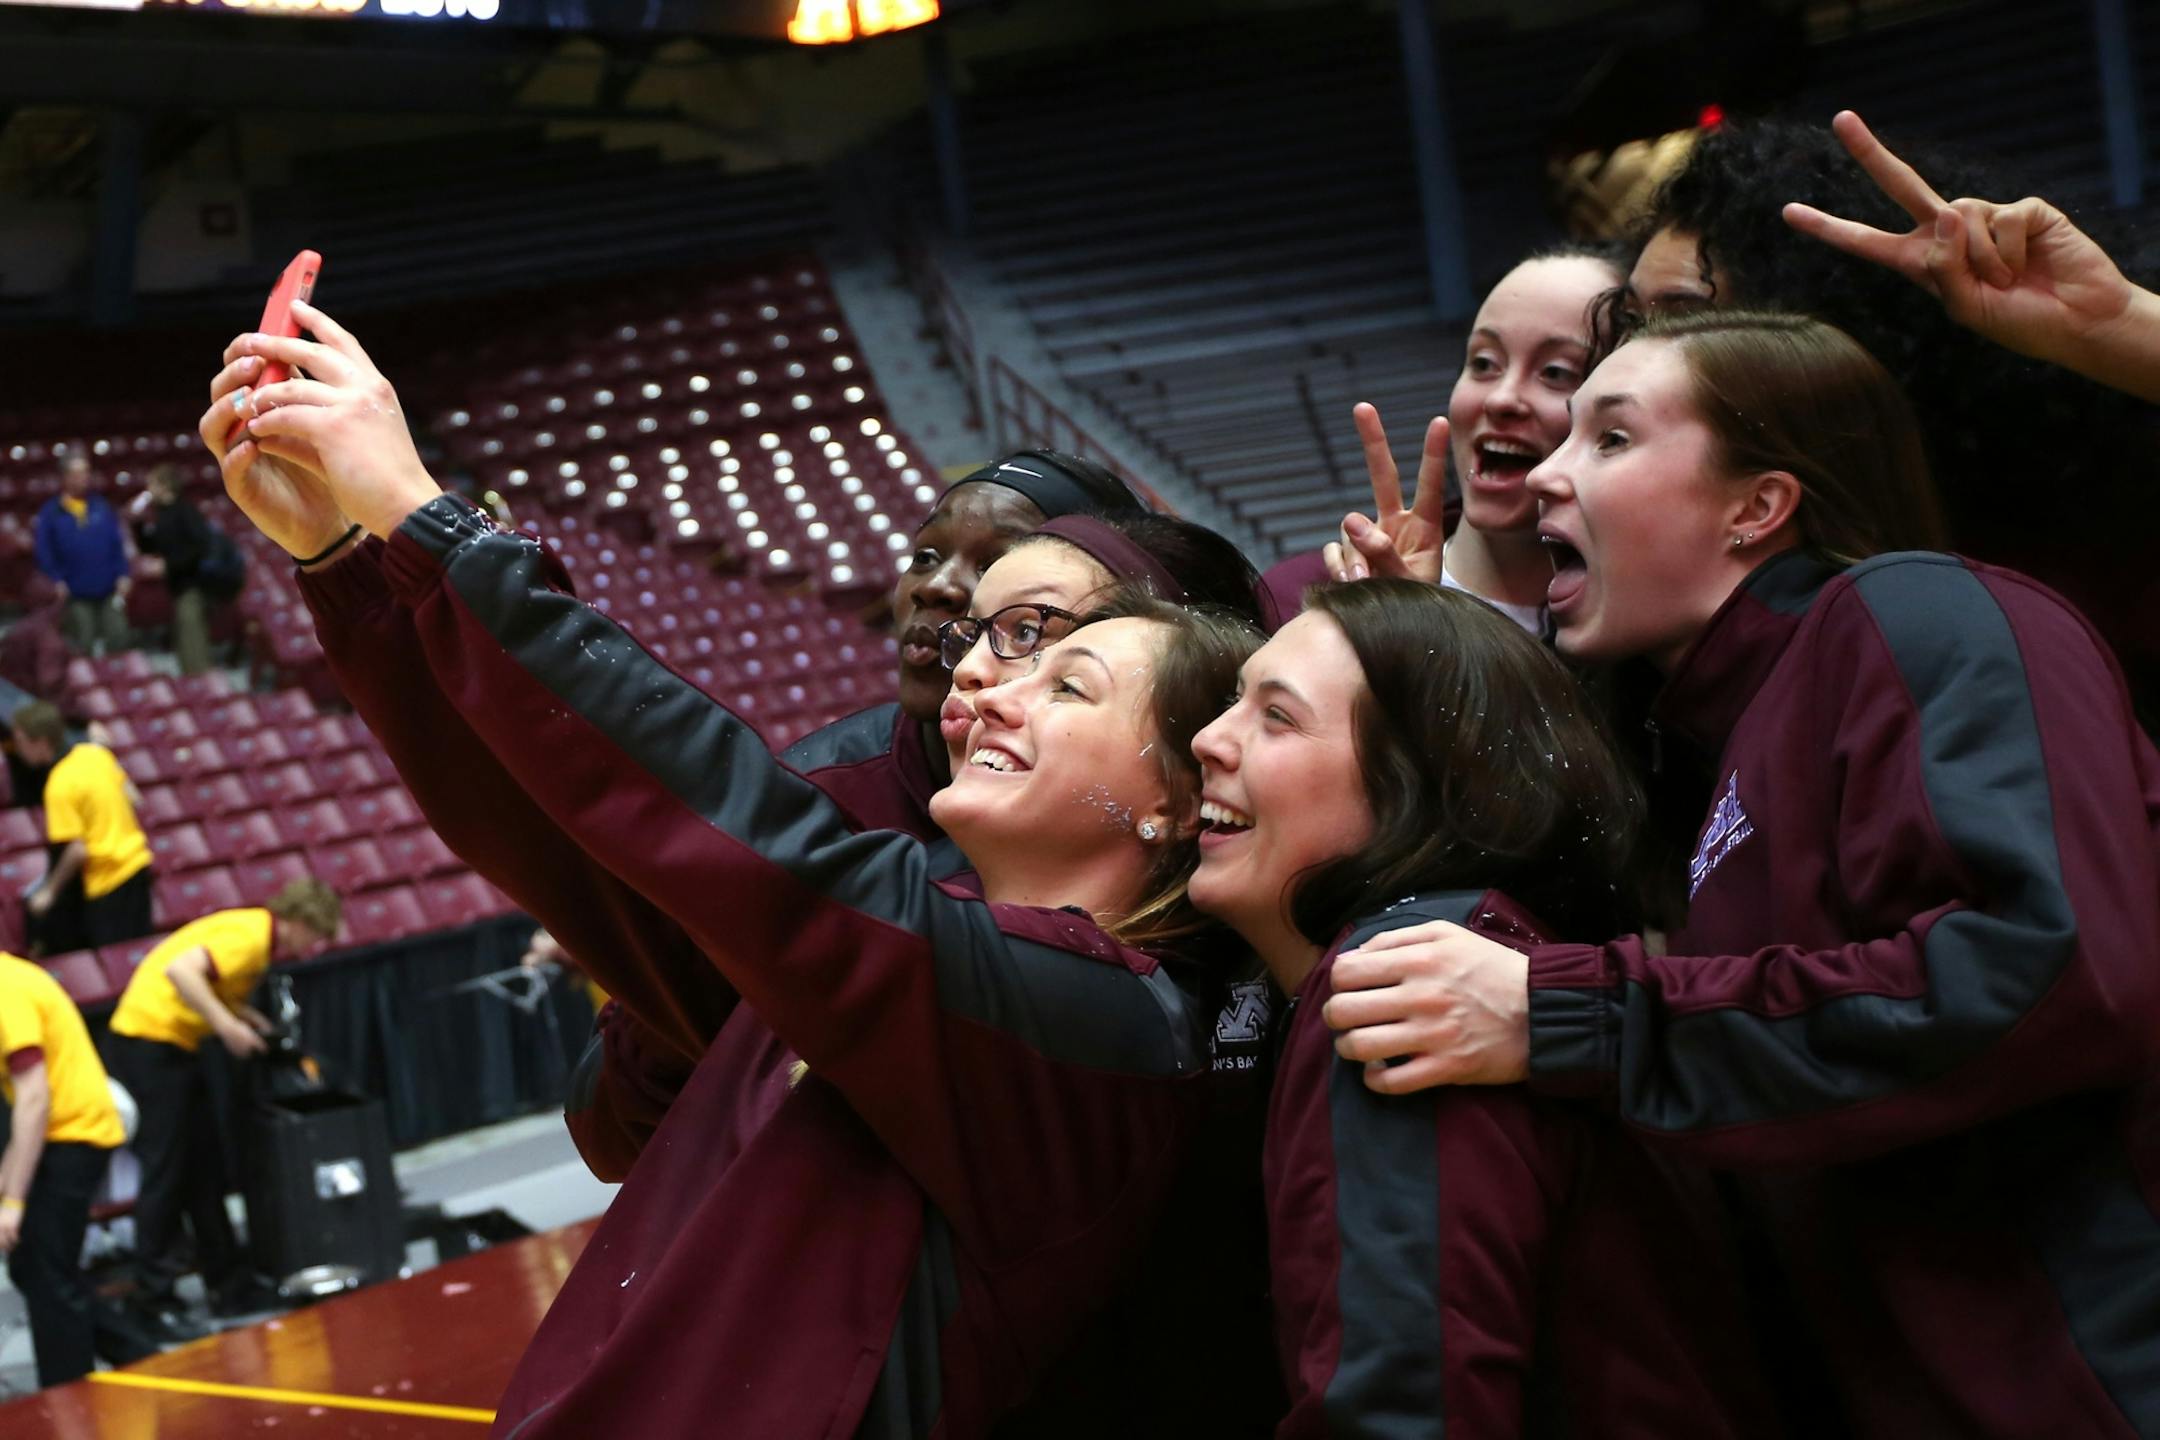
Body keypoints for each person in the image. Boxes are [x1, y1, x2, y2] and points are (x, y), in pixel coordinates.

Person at [200, 299, 1271, 1437]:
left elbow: (739, 817)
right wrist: (349, 562)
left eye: (1058, 666)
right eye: (991, 639)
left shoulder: (1100, 1011)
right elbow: (564, 850)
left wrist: (429, 523)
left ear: (1181, 789)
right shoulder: (909, 927)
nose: (979, 671)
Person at [1319, 309, 2160, 1436]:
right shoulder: (1705, 740)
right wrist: (1420, 658)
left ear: (1758, 506)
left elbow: (2050, 969)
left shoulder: (1918, 609)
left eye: (1609, 439)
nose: (1544, 479)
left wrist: (1569, 1021)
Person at [1612, 112, 2160, 724]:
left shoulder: (2068, 570)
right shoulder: (1662, 602)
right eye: (1631, 321)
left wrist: (2115, 327)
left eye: (1684, 318)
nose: (1630, 356)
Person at [779, 449, 1145, 865]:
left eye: (997, 565)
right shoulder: (809, 795)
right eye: (925, 557)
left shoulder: (1187, 793)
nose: (935, 586)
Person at [1260, 246, 1623, 632]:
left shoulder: (1636, 657)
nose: (1500, 399)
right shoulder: (1299, 604)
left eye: (1555, 372)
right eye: (1484, 363)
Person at [103, 880, 342, 1318]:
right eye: (316, 935)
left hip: (175, 1050)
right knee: (167, 1172)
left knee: (203, 1171)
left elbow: (213, 989)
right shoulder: (249, 937)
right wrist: (229, 1030)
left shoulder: (256, 941)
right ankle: (151, 1295)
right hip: (150, 1047)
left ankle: (229, 1284)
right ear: (300, 921)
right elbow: (181, 973)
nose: (313, 948)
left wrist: (248, 1020)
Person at [0, 949, 128, 1387]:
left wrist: (14, 1200)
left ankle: (67, 1399)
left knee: (46, 1273)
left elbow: (35, 1100)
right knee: (41, 1267)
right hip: (62, 1132)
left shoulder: (5, 989)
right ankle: (138, 1353)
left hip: (73, 1133)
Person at [12, 701, 155, 954]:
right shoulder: (96, 754)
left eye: (20, 741)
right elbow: (133, 797)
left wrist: (48, 892)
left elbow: (77, 851)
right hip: (138, 867)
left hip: (108, 882)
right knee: (138, 955)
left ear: (41, 742)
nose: (17, 749)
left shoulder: (59, 784)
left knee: (117, 961)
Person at [130, 462, 246, 676]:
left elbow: (199, 547)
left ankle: (202, 680)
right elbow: (150, 546)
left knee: (192, 635)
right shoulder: (162, 514)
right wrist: (136, 524)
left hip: (194, 586)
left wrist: (169, 565)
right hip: (178, 587)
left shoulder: (185, 511)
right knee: (184, 633)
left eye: (152, 484)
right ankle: (193, 681)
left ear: (164, 486)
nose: (149, 490)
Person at [33, 456, 132, 657]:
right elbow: (44, 551)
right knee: (82, 642)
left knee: (119, 635)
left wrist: (123, 573)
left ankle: (118, 683)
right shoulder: (51, 511)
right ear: (65, 477)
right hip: (74, 592)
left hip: (108, 589)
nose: (84, 477)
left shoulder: (101, 506)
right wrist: (56, 579)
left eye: (86, 472)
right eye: (78, 473)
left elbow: (116, 544)